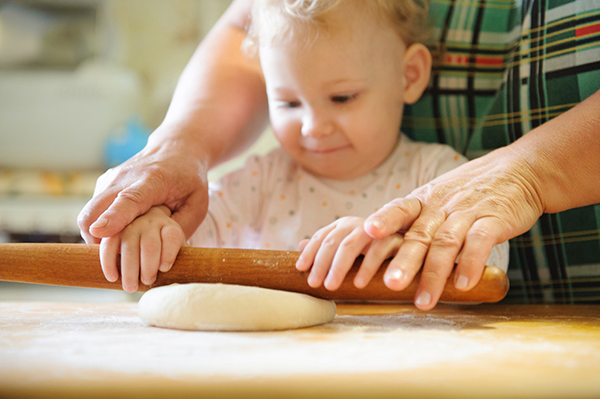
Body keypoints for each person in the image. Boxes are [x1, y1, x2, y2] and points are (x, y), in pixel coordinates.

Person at [79, 0, 600, 309]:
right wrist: (157, 233)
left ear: (410, 75)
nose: (311, 125)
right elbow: (189, 253)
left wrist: (395, 252)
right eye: (286, 101)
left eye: (342, 97)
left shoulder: (436, 173)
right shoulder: (257, 182)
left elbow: (483, 264)